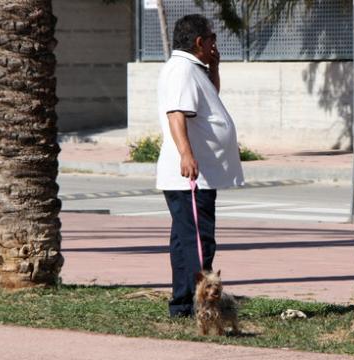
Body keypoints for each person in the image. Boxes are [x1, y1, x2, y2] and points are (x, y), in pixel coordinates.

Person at [156, 14, 244, 317]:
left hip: (194, 175)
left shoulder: (192, 69)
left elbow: (208, 99)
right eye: (212, 39)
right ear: (199, 42)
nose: (215, 44)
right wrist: (186, 154)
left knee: (184, 243)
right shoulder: (181, 69)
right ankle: (201, 306)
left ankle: (182, 304)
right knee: (198, 242)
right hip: (192, 175)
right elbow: (176, 113)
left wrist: (214, 68)